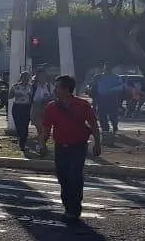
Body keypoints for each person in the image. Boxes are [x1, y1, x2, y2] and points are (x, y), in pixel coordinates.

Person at [36, 75, 103, 222]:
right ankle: (68, 206)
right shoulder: (52, 107)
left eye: (57, 87)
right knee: (63, 177)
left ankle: (75, 208)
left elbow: (93, 125)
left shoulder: (82, 105)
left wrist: (97, 143)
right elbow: (46, 129)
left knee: (75, 176)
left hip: (78, 147)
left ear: (67, 89)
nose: (55, 90)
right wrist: (42, 144)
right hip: (60, 147)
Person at [9, 71, 34, 151]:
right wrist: (16, 94)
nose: (26, 79)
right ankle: (21, 140)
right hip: (17, 107)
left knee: (25, 126)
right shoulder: (15, 86)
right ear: (21, 78)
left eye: (28, 78)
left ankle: (23, 144)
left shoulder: (30, 87)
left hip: (26, 107)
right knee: (19, 126)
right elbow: (10, 96)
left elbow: (32, 99)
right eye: (24, 77)